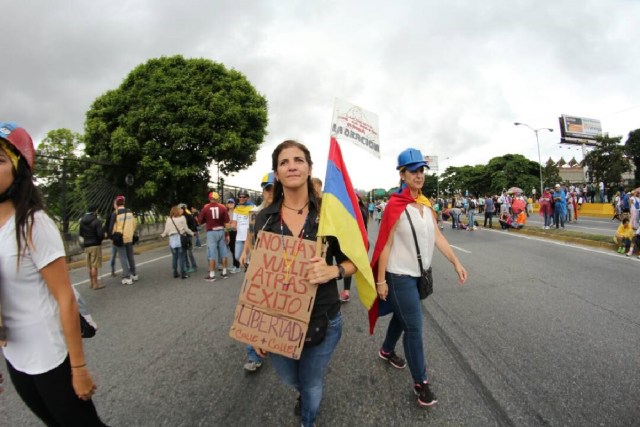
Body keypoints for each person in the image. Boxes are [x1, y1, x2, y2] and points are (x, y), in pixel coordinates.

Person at [0, 122, 106, 425]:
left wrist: (79, 368)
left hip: (51, 357)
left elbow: (65, 299)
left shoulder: (33, 224)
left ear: (19, 171)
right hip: (16, 358)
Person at [252, 140, 355, 427]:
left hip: (322, 319)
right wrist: (257, 329)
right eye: (284, 162)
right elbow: (257, 277)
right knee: (290, 377)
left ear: (308, 168)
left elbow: (354, 263)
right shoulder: (263, 218)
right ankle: (302, 393)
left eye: (298, 160)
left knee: (311, 382)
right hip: (278, 321)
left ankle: (307, 420)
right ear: (277, 172)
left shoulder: (328, 216)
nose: (292, 166)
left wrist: (332, 271)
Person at [371, 147, 467, 407]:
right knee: (414, 326)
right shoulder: (394, 206)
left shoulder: (425, 204)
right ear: (402, 174)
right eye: (413, 170)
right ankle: (421, 383)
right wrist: (380, 281)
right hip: (398, 275)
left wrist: (456, 261)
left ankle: (387, 350)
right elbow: (385, 246)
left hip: (419, 276)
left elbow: (437, 236)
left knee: (403, 319)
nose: (419, 175)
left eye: (421, 169)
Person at [239, 172, 275, 372]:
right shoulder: (255, 212)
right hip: (256, 269)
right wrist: (245, 253)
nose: (270, 192)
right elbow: (250, 235)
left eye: (273, 188)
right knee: (253, 310)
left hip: (278, 273)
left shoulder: (288, 213)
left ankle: (276, 343)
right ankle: (253, 354)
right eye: (267, 188)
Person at [339, 194, 369, 302]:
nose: (352, 198)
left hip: (356, 242)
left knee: (351, 265)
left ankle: (348, 291)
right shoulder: (357, 209)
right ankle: (346, 291)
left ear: (359, 199)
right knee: (350, 264)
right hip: (351, 241)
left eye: (354, 196)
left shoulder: (360, 210)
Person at [198, 191, 231, 281]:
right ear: (217, 199)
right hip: (221, 231)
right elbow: (227, 223)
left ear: (209, 199)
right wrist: (227, 234)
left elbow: (199, 221)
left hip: (211, 232)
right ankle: (224, 273)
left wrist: (206, 219)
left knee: (212, 253)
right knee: (223, 252)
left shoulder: (206, 208)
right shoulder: (223, 207)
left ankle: (212, 275)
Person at [108, 195, 138, 285]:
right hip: (129, 237)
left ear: (116, 204)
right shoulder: (129, 212)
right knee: (130, 257)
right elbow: (134, 224)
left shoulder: (115, 213)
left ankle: (127, 277)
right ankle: (134, 274)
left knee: (123, 258)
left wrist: (111, 237)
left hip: (120, 239)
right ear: (124, 203)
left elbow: (111, 227)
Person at [161, 205, 194, 279]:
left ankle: (175, 272)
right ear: (177, 211)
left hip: (172, 239)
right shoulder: (182, 218)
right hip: (180, 238)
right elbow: (186, 229)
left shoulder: (169, 219)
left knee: (174, 257)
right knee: (181, 257)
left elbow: (166, 230)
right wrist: (192, 233)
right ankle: (183, 273)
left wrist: (163, 235)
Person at [79, 205, 106, 290]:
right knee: (95, 265)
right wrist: (103, 236)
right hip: (95, 245)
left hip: (86, 245)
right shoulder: (97, 221)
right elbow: (100, 235)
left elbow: (81, 234)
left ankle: (91, 282)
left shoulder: (82, 221)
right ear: (95, 211)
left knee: (89, 265)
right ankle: (95, 284)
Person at [230, 190, 254, 274]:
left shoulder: (253, 208)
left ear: (247, 198)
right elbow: (234, 222)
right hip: (239, 237)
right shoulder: (236, 209)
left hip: (250, 237)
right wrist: (232, 226)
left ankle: (250, 271)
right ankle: (247, 263)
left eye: (244, 197)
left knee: (251, 258)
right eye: (240, 197)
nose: (241, 198)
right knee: (237, 256)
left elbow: (254, 223)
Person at [180, 203, 198, 273]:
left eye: (181, 209)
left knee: (189, 252)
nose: (180, 211)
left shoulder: (188, 216)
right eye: (179, 209)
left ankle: (194, 266)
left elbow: (193, 225)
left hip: (189, 236)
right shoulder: (179, 217)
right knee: (183, 252)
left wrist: (191, 232)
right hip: (182, 236)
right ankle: (187, 266)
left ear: (184, 209)